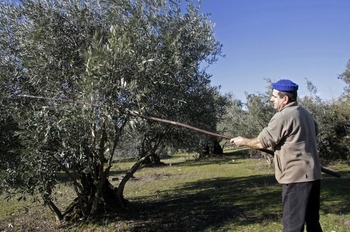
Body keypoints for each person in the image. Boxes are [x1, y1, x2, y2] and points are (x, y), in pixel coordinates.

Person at [230, 79, 322, 232]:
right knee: (312, 222)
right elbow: (311, 133)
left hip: (296, 178)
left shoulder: (283, 116)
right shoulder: (305, 113)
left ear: (284, 99)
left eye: (274, 96)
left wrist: (243, 141)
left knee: (292, 226)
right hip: (313, 175)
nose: (271, 99)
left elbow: (261, 143)